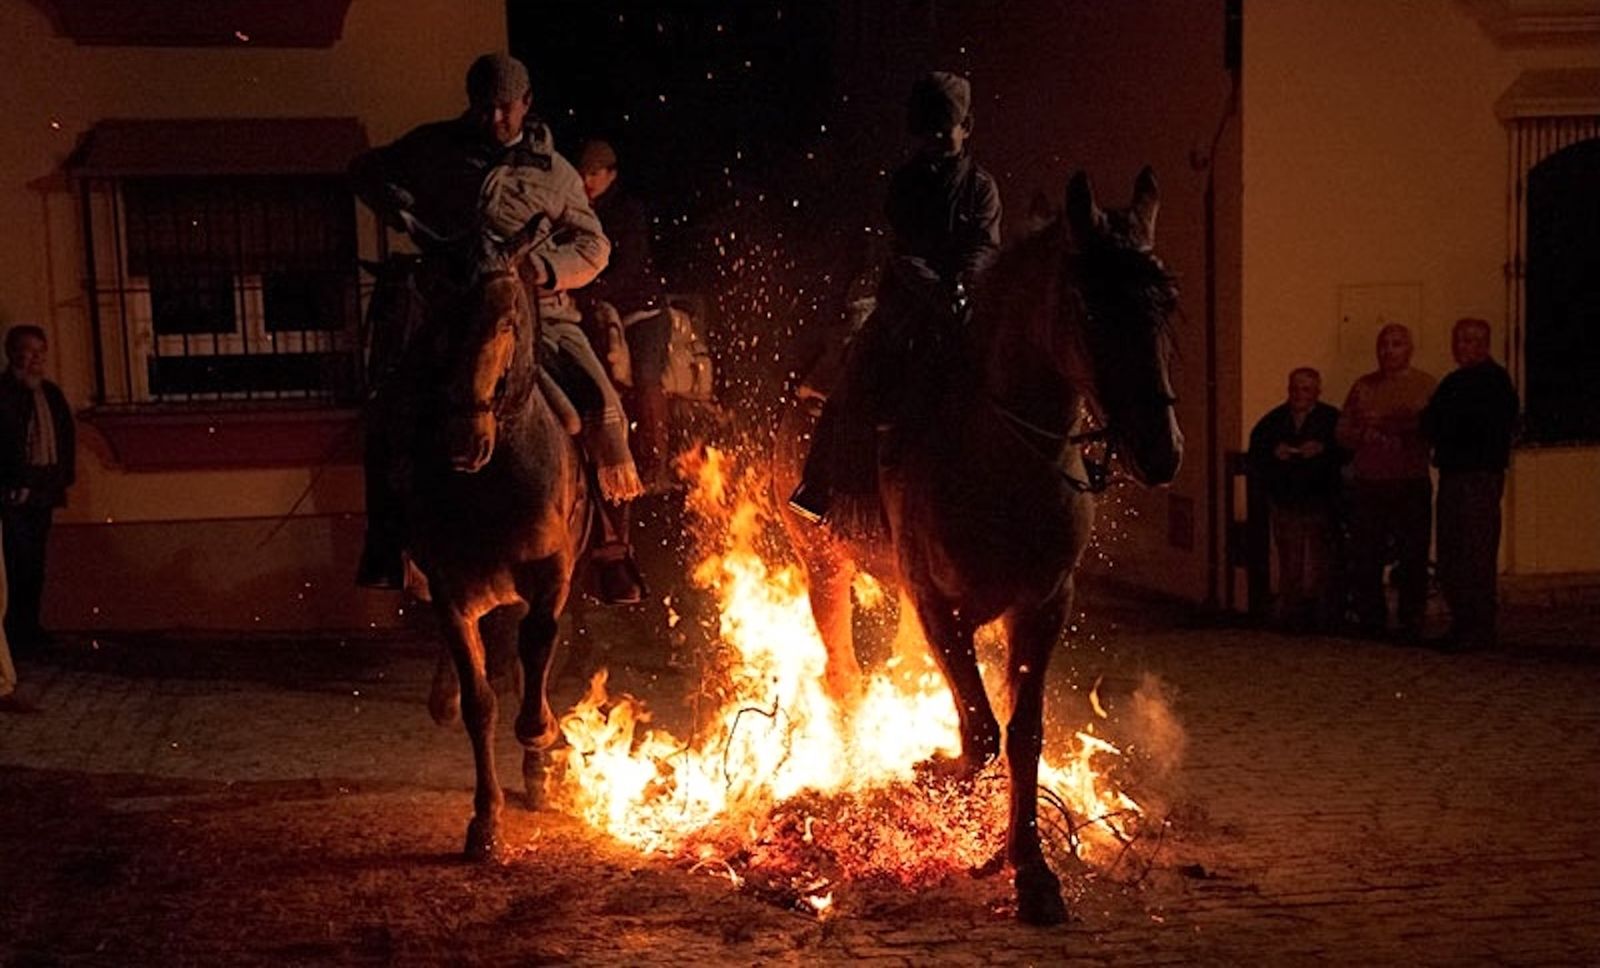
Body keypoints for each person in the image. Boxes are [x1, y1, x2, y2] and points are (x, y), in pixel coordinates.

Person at [350, 53, 646, 604]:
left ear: (526, 104)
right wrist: (405, 212)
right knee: (390, 410)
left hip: (540, 316)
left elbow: (595, 245)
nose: (495, 119)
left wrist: (547, 268)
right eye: (485, 107)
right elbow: (365, 170)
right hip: (450, 313)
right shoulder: (434, 148)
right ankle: (387, 540)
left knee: (603, 411)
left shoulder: (553, 172)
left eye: (505, 108)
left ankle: (609, 549)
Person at [788, 71, 1001, 530]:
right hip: (906, 306)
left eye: (948, 129)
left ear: (967, 127)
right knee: (856, 375)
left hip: (963, 308)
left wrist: (965, 286)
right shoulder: (906, 183)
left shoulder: (981, 188)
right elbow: (906, 251)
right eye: (932, 131)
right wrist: (938, 292)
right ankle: (820, 484)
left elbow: (983, 246)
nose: (940, 139)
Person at [574, 138, 672, 490]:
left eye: (594, 173)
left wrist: (591, 293)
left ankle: (657, 464)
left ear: (611, 175)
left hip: (642, 313)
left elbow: (628, 268)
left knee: (645, 377)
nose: (587, 180)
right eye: (582, 173)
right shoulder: (577, 214)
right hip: (600, 311)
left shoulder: (627, 212)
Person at [1421, 317, 1519, 650]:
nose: (1464, 346)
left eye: (1472, 340)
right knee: (1452, 550)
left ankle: (1478, 627)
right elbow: (1431, 421)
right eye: (1460, 340)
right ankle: (1463, 623)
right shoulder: (1453, 382)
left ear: (1484, 343)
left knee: (1475, 550)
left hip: (1478, 475)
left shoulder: (1494, 382)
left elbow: (1481, 426)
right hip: (1454, 474)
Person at [1336, 323, 1437, 639]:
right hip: (1370, 483)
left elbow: (1430, 429)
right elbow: (1342, 431)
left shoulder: (1425, 386)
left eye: (1396, 344)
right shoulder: (1363, 386)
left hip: (1409, 481)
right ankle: (1371, 618)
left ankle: (1411, 619)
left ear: (1409, 349)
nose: (1388, 350)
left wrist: (1396, 425)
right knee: (1366, 554)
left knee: (1412, 555)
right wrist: (1359, 434)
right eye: (1384, 344)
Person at [1248, 367, 1345, 630]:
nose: (1299, 395)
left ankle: (1323, 617)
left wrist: (1323, 450)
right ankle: (1292, 615)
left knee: (1319, 561)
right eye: (1295, 388)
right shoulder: (1274, 421)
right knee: (1289, 559)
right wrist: (1273, 452)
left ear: (1317, 391)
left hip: (1320, 500)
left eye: (1306, 389)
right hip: (1287, 499)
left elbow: (1346, 451)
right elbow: (1256, 449)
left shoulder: (1331, 419)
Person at [0, 325, 75, 654]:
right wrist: (16, 480)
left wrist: (61, 479)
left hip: (43, 491)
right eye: (29, 352)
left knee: (35, 562)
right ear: (12, 353)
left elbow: (64, 438)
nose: (35, 360)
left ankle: (29, 626)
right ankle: (12, 630)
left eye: (40, 353)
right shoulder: (3, 393)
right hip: (12, 493)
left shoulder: (50, 394)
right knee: (16, 561)